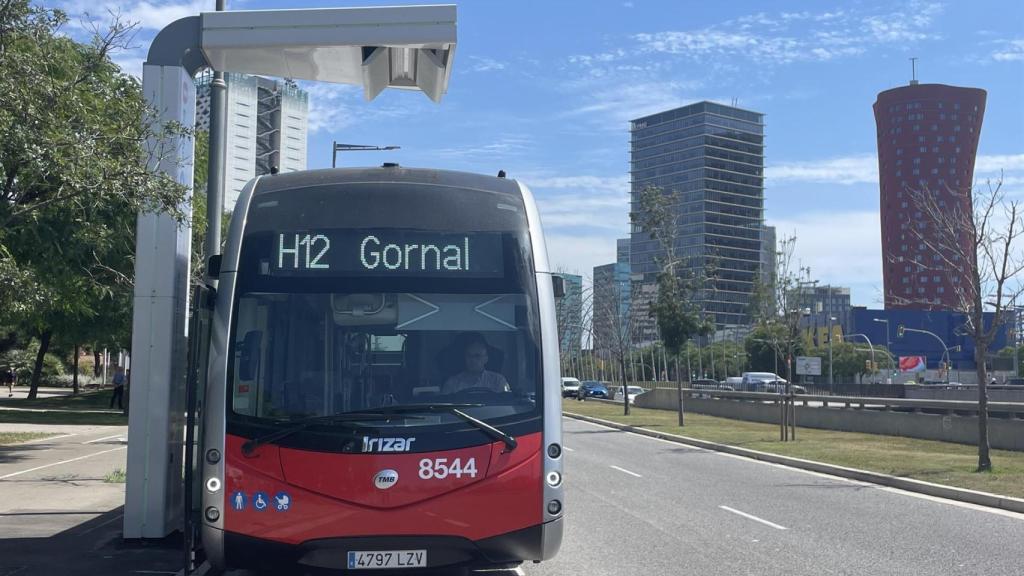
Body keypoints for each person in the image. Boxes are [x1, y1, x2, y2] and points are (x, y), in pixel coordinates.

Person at [442, 333, 510, 394]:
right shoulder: (452, 383)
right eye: (469, 355)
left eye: (477, 356)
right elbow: (444, 406)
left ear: (486, 359)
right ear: (464, 358)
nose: (473, 360)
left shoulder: (498, 380)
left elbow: (506, 403)